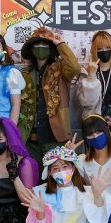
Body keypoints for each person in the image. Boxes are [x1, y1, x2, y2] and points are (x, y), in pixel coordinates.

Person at [19, 27, 81, 169]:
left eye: (45, 44)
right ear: (31, 49)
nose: (41, 47)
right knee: (31, 176)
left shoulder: (61, 70)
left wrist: (60, 44)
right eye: (37, 44)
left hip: (55, 137)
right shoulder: (24, 74)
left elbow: (75, 68)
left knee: (56, 176)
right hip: (30, 139)